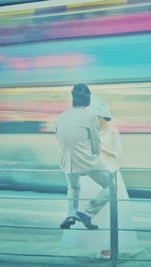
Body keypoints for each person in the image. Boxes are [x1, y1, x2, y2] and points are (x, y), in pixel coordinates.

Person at [61, 98, 138, 259]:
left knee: (110, 214)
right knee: (93, 214)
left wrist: (99, 147)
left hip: (109, 173)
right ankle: (97, 247)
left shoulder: (113, 132)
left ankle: (109, 247)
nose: (95, 120)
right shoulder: (90, 130)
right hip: (92, 174)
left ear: (103, 117)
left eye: (97, 117)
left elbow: (119, 155)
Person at [55, 83, 110, 230]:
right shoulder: (91, 116)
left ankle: (71, 214)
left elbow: (59, 139)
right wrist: (94, 159)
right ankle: (87, 213)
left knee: (73, 187)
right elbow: (96, 142)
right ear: (88, 100)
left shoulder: (60, 117)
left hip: (66, 161)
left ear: (73, 98)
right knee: (111, 186)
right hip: (86, 159)